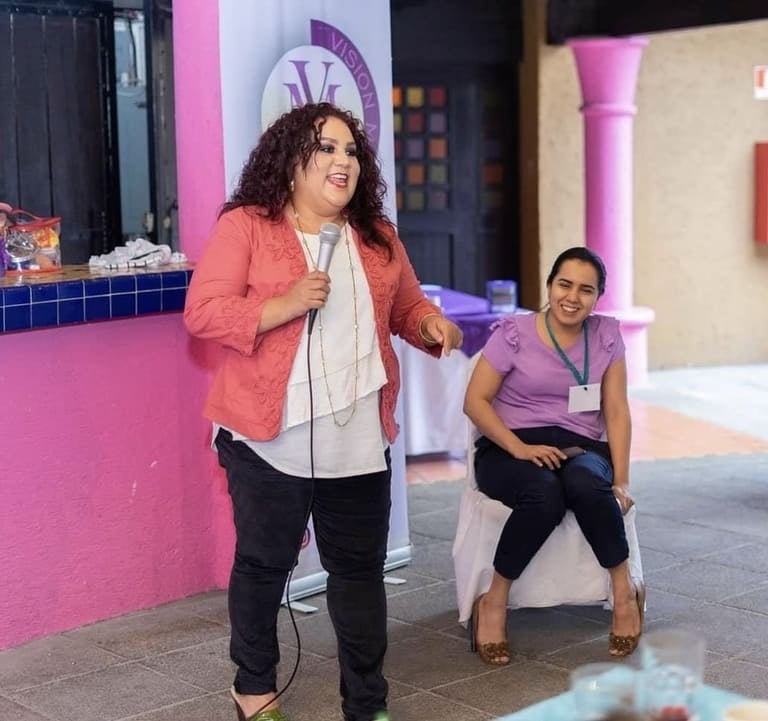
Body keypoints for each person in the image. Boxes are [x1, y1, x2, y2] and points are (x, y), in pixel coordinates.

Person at [183, 102, 463, 721]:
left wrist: (431, 325)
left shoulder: (377, 235)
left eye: (351, 151)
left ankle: (368, 704)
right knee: (264, 565)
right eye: (327, 148)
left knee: (359, 575)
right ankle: (253, 687)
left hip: (359, 436)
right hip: (268, 436)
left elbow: (407, 309)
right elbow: (202, 311)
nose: (344, 161)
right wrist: (282, 304)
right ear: (289, 163)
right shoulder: (248, 226)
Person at [462, 246, 643, 666]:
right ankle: (494, 600)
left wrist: (621, 479)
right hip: (510, 448)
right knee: (544, 493)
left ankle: (623, 591)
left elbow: (616, 410)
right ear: (549, 286)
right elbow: (475, 401)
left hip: (581, 447)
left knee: (585, 481)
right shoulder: (514, 333)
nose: (572, 297)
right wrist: (520, 447)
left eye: (586, 289)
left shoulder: (606, 336)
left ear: (598, 297)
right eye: (564, 284)